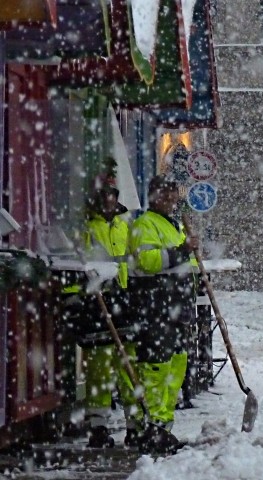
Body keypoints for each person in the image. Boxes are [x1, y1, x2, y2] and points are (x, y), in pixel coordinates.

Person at [61, 171, 139, 448]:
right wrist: (75, 299)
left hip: (123, 303)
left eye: (112, 196)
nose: (109, 201)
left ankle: (135, 425)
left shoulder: (126, 224)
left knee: (128, 366)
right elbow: (75, 266)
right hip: (96, 306)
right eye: (104, 196)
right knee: (99, 372)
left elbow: (135, 260)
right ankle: (99, 428)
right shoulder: (85, 229)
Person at [128, 175, 199, 454]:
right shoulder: (145, 225)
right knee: (156, 367)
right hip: (156, 306)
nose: (171, 200)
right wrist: (182, 251)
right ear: (154, 196)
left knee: (176, 364)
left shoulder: (174, 224)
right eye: (166, 195)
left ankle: (164, 425)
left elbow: (183, 264)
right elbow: (147, 261)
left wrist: (194, 268)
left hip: (177, 308)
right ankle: (153, 426)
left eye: (173, 195)